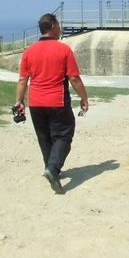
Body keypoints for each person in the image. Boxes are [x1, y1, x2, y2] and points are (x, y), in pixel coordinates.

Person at [13, 13, 89, 194]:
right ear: (53, 26)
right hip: (57, 100)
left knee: (44, 136)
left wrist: (19, 101)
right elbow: (74, 78)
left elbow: (23, 80)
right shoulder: (63, 50)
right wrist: (84, 97)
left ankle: (50, 167)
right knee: (63, 134)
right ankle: (53, 169)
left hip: (35, 102)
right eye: (59, 25)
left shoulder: (28, 51)